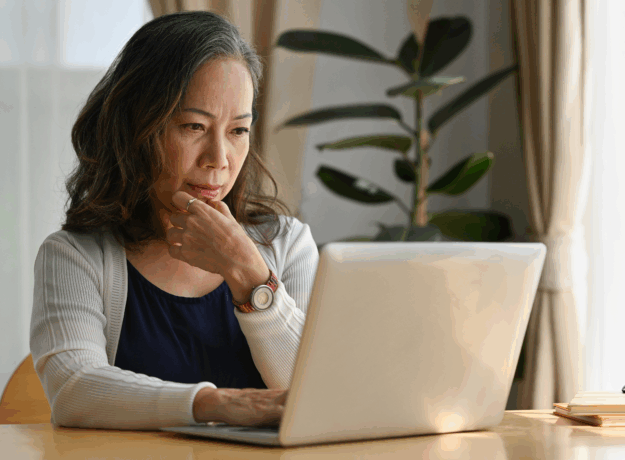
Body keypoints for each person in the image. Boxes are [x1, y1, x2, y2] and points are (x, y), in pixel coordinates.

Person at [29, 11, 318, 430]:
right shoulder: (76, 256)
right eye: (194, 126)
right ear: (137, 129)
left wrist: (249, 272)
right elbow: (74, 389)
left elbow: (311, 393)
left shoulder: (287, 244)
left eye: (238, 130)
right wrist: (215, 404)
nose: (219, 159)